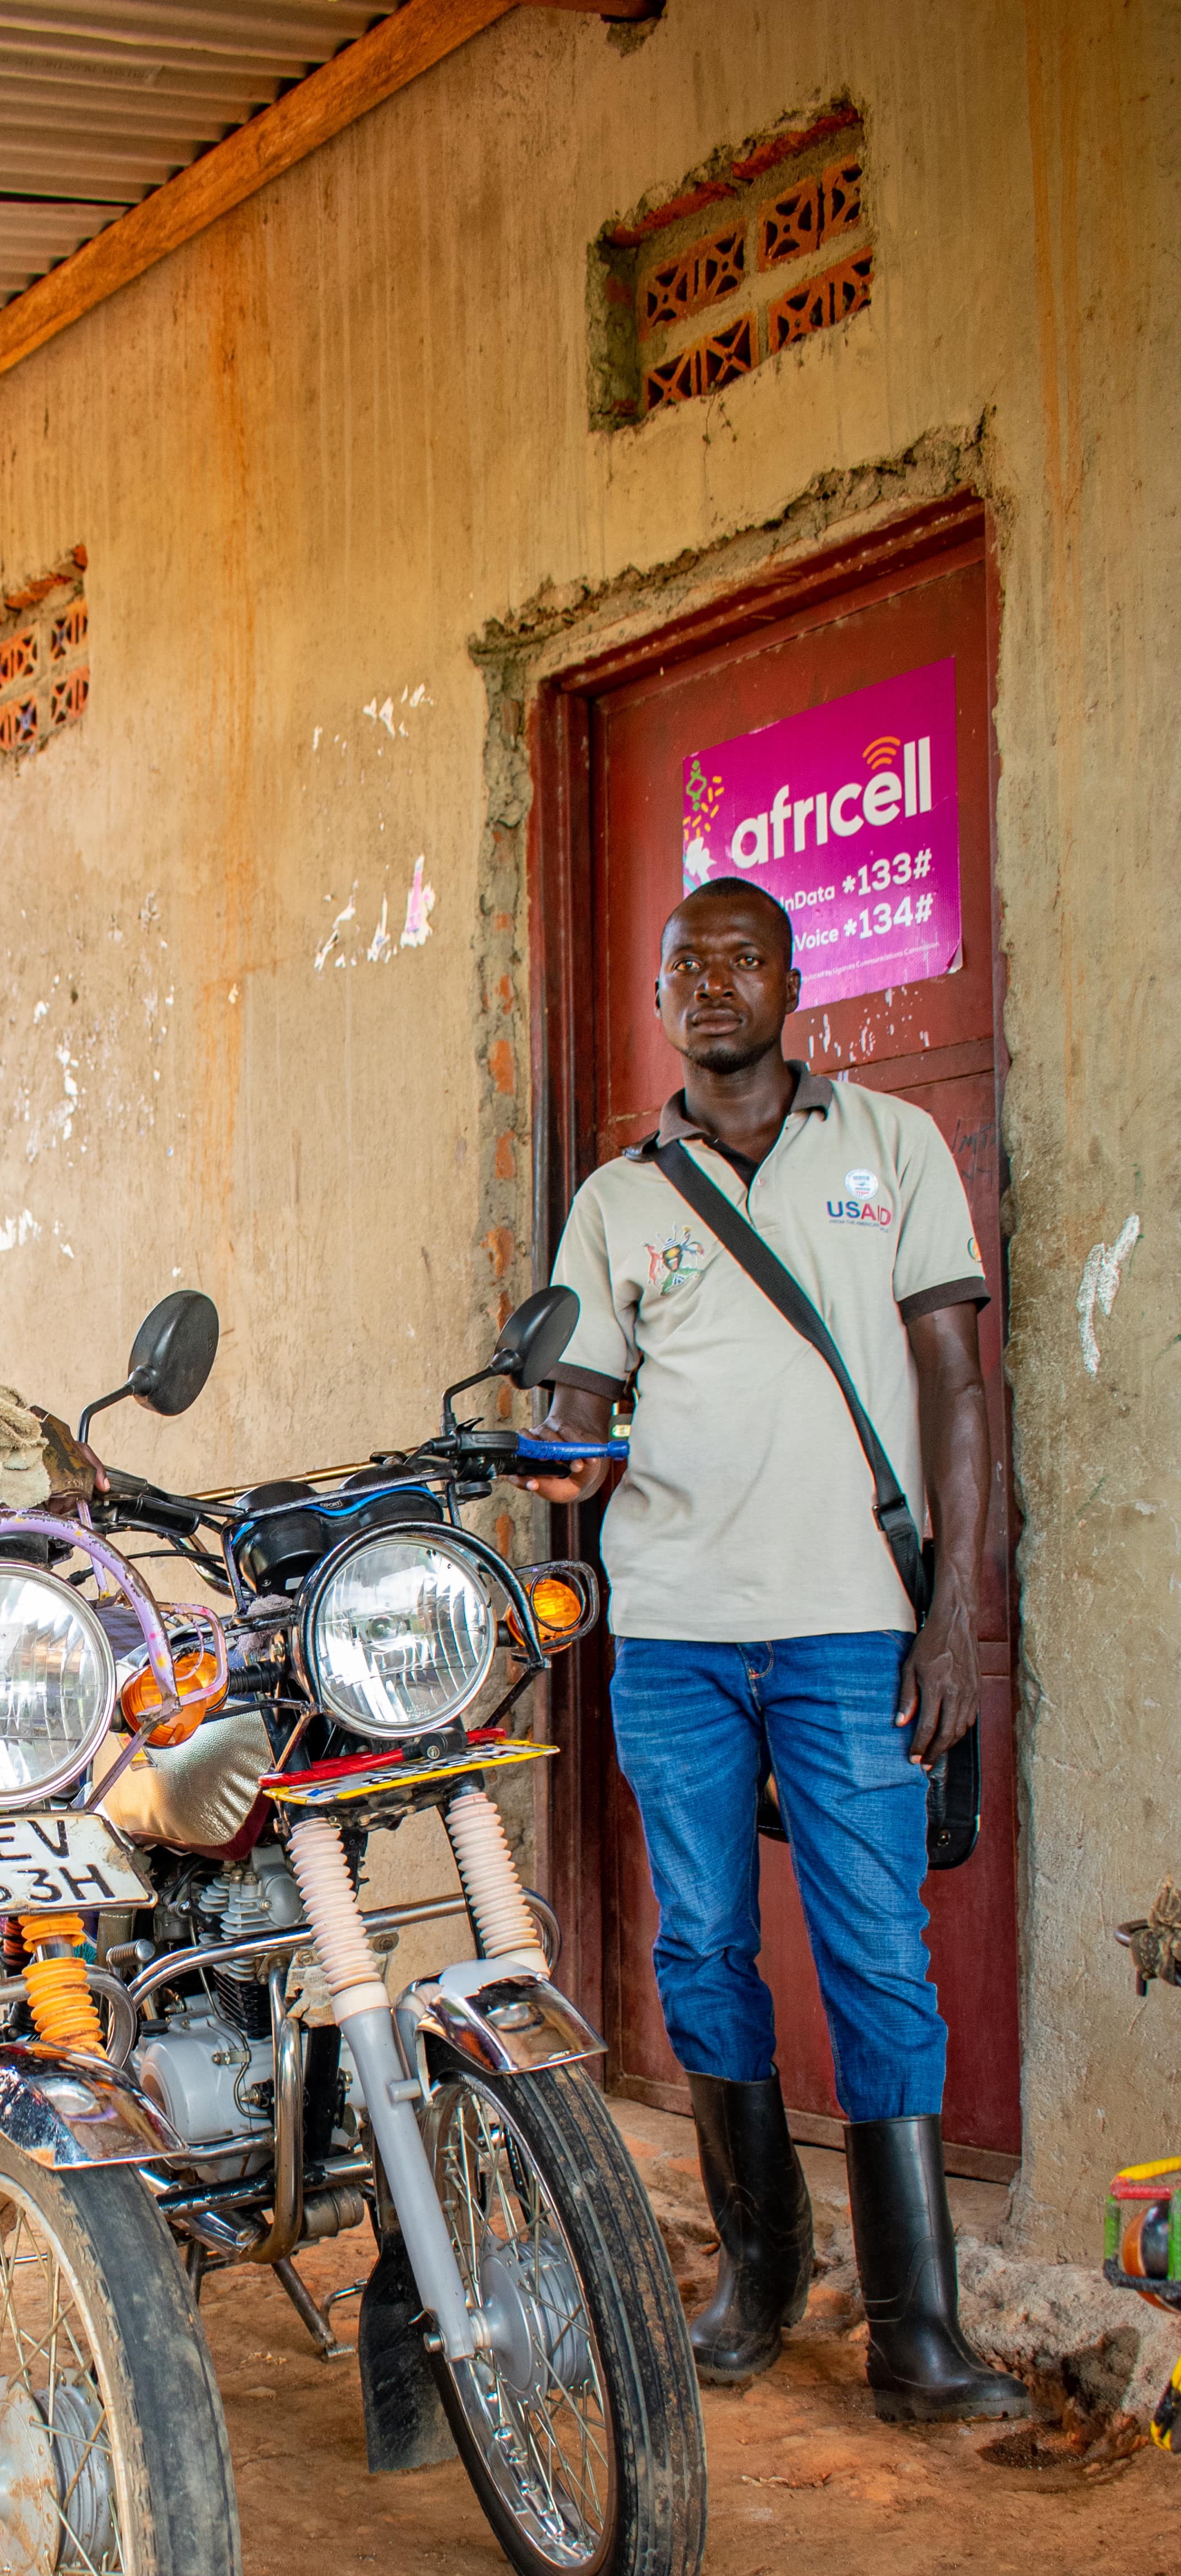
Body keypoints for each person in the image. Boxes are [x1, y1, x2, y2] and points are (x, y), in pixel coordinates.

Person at [526, 876, 1025, 2429]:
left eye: (743, 960)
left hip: (849, 1627)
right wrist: (565, 1451)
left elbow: (960, 1385)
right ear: (664, 1002)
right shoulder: (619, 1201)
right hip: (673, 1636)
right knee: (700, 1950)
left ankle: (913, 2327)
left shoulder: (889, 1148)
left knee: (880, 1954)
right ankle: (754, 2275)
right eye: (688, 968)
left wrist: (957, 1615)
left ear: (793, 985)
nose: (714, 986)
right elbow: (577, 1415)